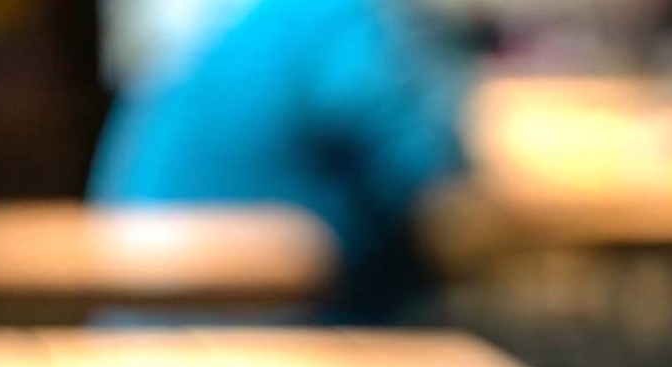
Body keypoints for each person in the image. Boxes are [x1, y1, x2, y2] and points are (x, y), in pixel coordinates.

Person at [90, 0, 469, 322]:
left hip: (152, 324)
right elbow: (443, 198)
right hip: (242, 337)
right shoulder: (335, 22)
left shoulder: (244, 23)